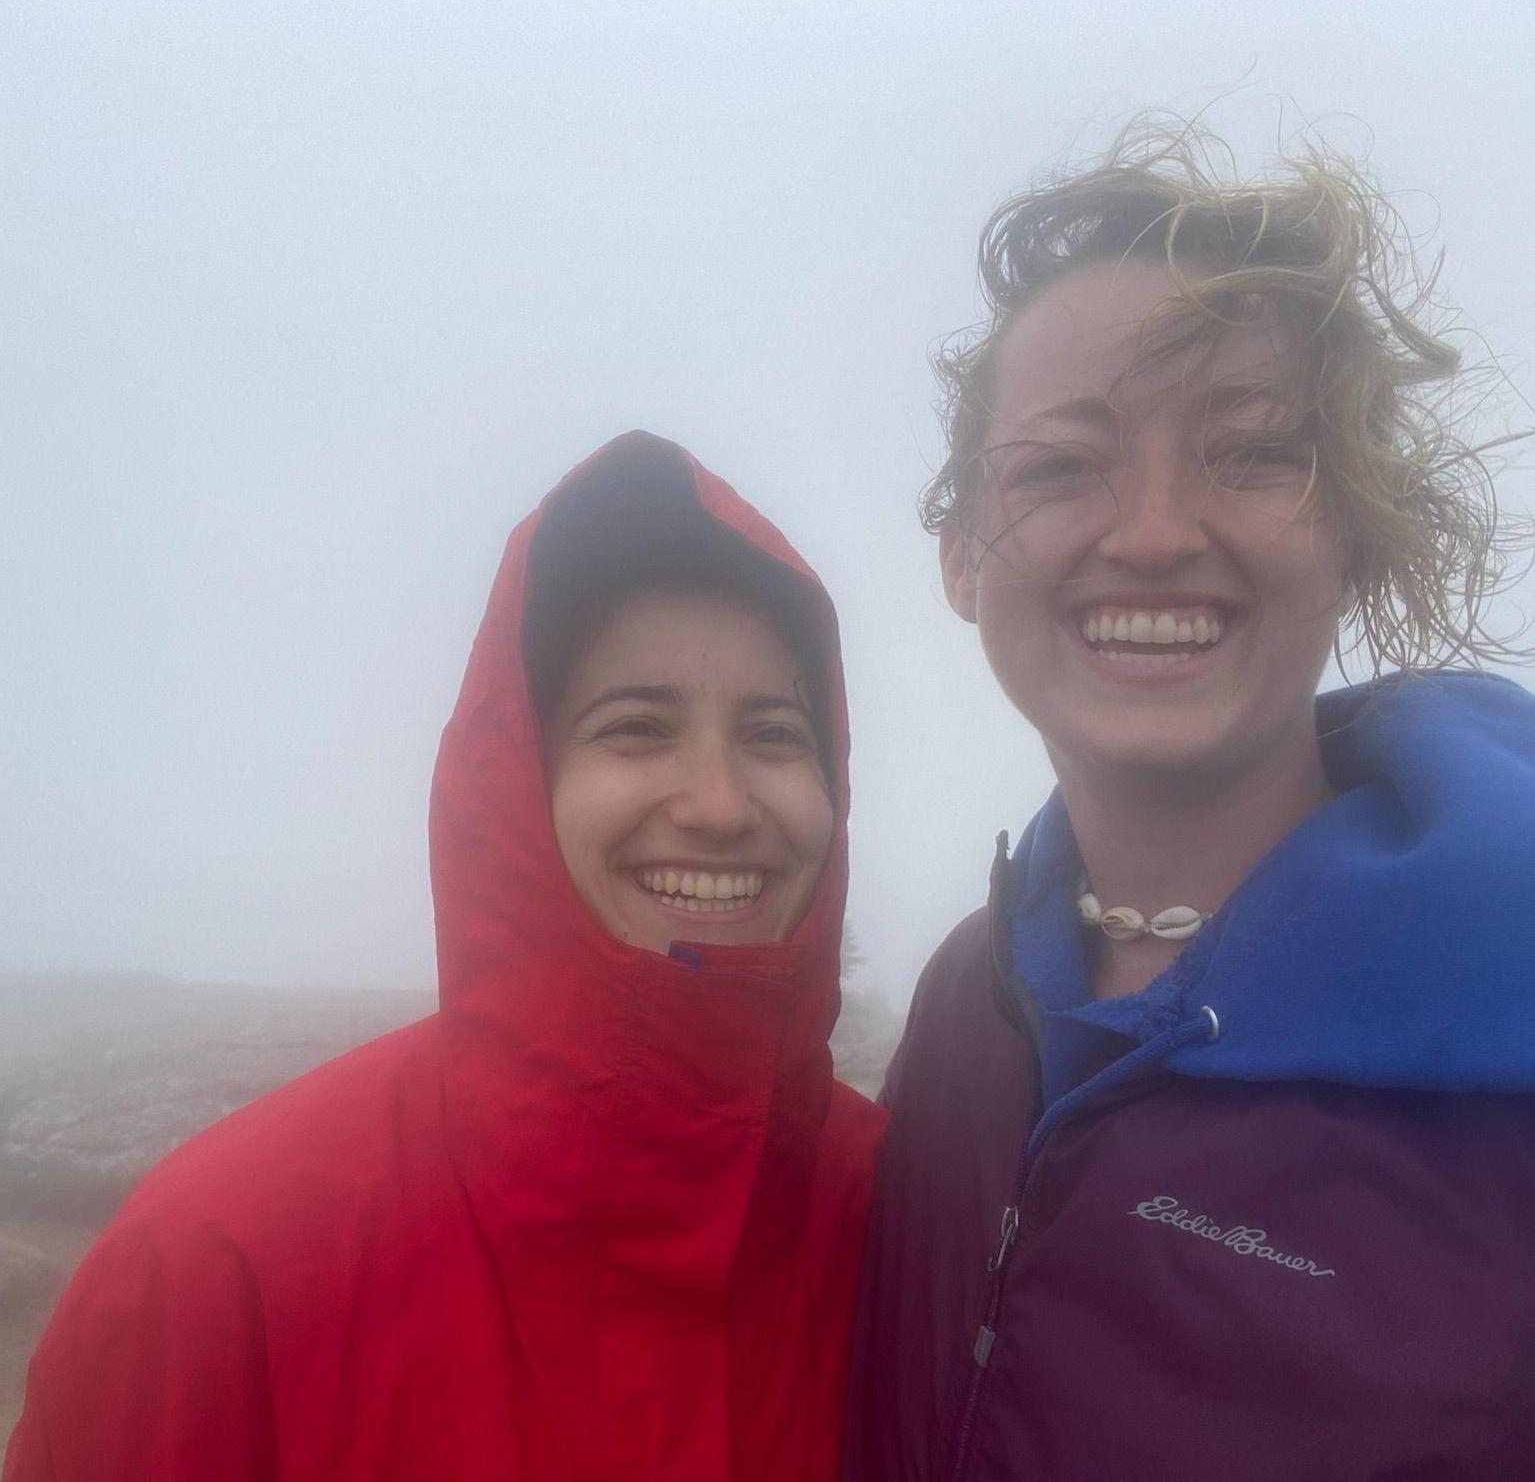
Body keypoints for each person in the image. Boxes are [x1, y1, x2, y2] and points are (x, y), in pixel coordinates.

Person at [845, 127, 1535, 1481]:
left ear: (1355, 527)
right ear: (956, 556)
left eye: (1248, 451)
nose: (1154, 529)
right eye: (1057, 463)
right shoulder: (968, 1001)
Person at [6, 432, 885, 1482]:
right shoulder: (214, 1266)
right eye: (637, 726)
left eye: (774, 734)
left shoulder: (904, 1214)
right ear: (514, 780)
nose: (719, 802)